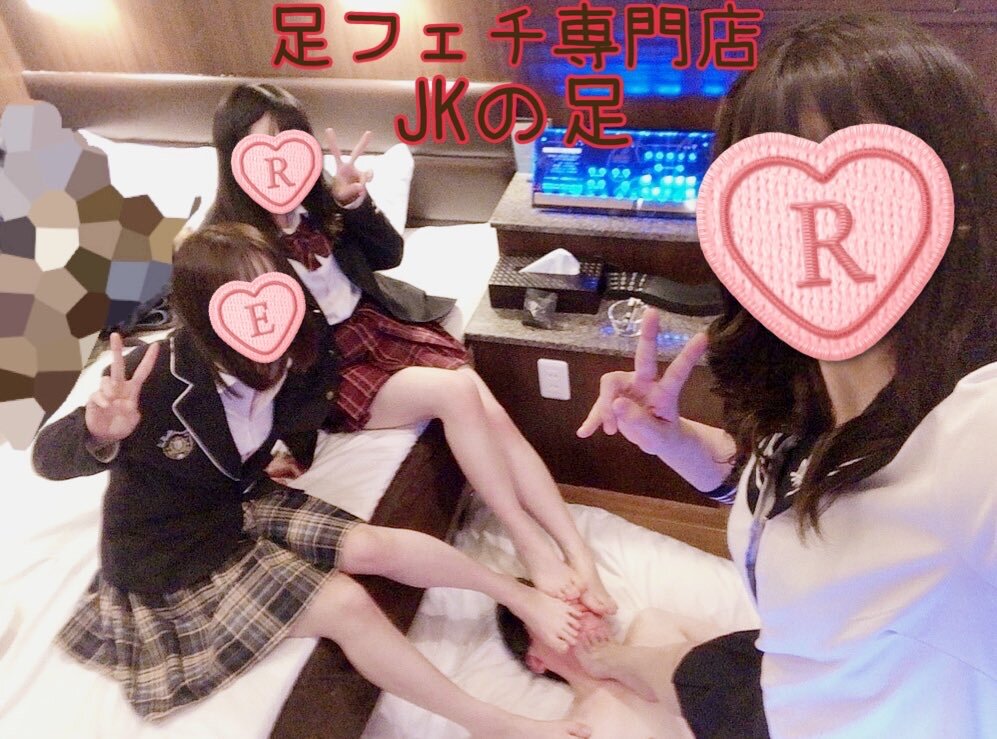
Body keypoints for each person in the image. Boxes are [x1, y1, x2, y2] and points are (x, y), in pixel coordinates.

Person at [578, 13, 997, 738]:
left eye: (869, 185)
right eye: (776, 192)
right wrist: (675, 443)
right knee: (659, 655)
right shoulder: (809, 391)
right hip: (787, 670)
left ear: (954, 204)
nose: (817, 224)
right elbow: (792, 483)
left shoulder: (970, 434)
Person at [32, 224, 592, 737]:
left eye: (272, 286)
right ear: (202, 313)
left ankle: (519, 595)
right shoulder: (152, 376)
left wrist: (286, 455)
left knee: (372, 545)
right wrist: (98, 430)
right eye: (237, 297)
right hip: (169, 550)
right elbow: (47, 458)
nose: (263, 311)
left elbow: (307, 406)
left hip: (238, 497)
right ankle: (495, 724)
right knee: (346, 605)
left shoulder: (295, 348)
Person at [201, 82, 616, 615]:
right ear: (233, 155)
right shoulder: (227, 247)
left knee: (485, 403)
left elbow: (388, 255)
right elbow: (236, 357)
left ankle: (577, 552)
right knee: (456, 393)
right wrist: (273, 448)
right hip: (328, 371)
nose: (280, 163)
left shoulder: (320, 200)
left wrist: (352, 202)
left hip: (378, 326)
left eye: (291, 143)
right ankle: (530, 543)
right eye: (263, 147)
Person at [498, 594, 727, 738]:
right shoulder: (580, 729)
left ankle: (618, 660)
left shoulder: (654, 625)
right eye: (547, 614)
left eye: (566, 597)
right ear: (537, 660)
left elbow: (743, 654)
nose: (571, 608)